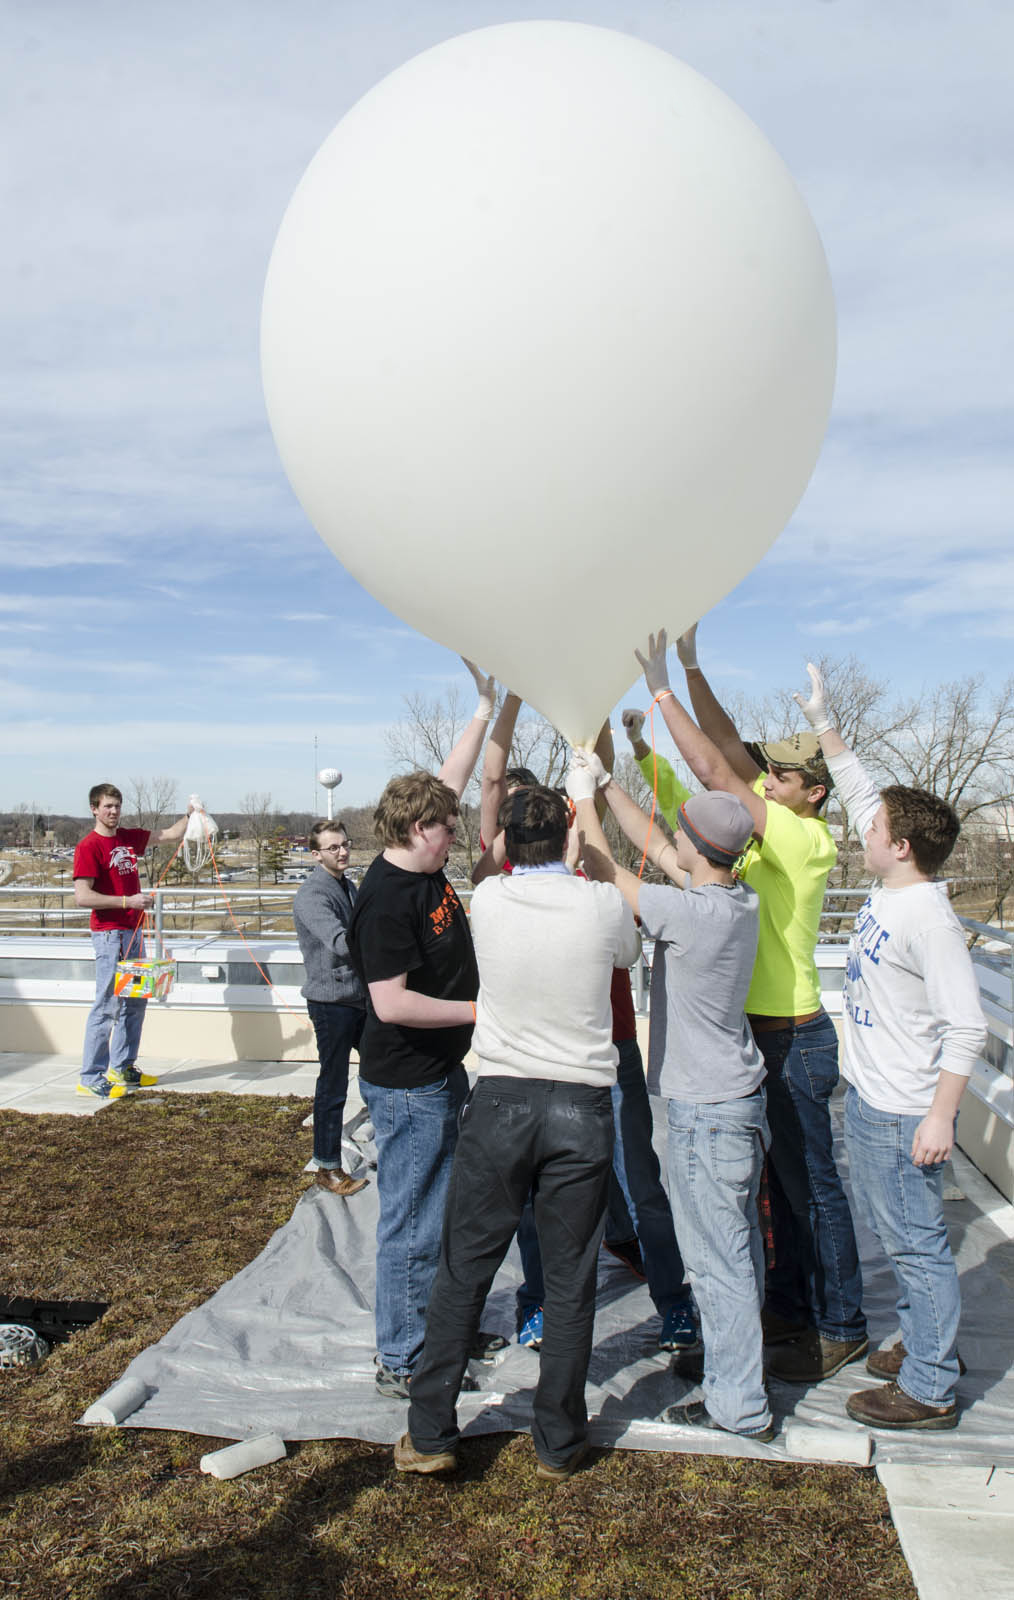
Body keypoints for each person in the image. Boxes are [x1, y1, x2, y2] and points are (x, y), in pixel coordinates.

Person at [627, 626, 867, 1384]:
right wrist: (692, 669)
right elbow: (716, 765)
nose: (765, 781)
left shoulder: (803, 841)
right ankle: (786, 1312)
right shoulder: (768, 829)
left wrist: (661, 684)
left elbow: (713, 768)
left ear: (812, 793)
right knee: (774, 1188)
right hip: (757, 1040)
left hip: (793, 1039)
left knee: (813, 1191)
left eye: (782, 779)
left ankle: (841, 1323)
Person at [394, 783, 641, 1479]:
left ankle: (431, 1434)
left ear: (505, 843)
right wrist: (588, 832)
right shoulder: (600, 902)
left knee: (464, 1270)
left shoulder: (491, 900)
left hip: (500, 1101)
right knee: (568, 1280)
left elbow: (492, 859)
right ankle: (559, 1443)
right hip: (581, 1107)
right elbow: (626, 953)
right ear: (569, 840)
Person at [471, 698, 694, 1356]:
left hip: (607, 1048)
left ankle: (672, 1301)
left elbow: (597, 851)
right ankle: (537, 1300)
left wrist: (587, 729)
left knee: (639, 1183)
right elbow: (489, 792)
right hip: (537, 1066)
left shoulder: (588, 884)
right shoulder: (498, 885)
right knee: (541, 1202)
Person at [795, 664, 986, 1429]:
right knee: (903, 1239)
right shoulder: (897, 883)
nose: (861, 830)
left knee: (917, 1246)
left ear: (901, 848)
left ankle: (931, 1385)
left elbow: (967, 1025)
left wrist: (940, 1118)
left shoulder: (928, 921)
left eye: (873, 831)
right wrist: (823, 718)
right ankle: (923, 1340)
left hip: (910, 1113)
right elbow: (861, 787)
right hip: (874, 1101)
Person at [570, 750, 773, 1441]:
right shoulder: (730, 897)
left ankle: (739, 1406)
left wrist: (583, 804)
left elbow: (605, 866)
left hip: (706, 1116)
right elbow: (655, 846)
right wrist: (605, 783)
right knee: (733, 1250)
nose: (670, 840)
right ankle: (731, 1371)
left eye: (681, 832)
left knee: (718, 1263)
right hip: (731, 1104)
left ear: (702, 851)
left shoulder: (693, 915)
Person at [347, 660, 506, 1398]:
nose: (457, 834)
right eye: (446, 826)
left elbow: (449, 777)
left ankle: (435, 1329)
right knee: (411, 1224)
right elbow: (391, 1003)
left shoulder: (421, 862)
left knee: (441, 1212)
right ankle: (402, 1360)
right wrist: (483, 1012)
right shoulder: (386, 899)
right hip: (408, 1084)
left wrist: (482, 707)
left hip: (439, 1073)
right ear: (420, 832)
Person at [73, 783, 194, 1098]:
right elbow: (82, 897)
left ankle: (123, 1066)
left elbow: (168, 835)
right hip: (110, 934)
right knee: (107, 1005)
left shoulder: (127, 838)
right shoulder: (89, 846)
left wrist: (190, 815)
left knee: (135, 1001)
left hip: (134, 932)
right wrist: (128, 902)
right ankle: (90, 1077)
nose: (113, 812)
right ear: (94, 809)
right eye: (107, 807)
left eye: (116, 806)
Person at [293, 818, 368, 1197]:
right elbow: (341, 942)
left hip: (359, 998)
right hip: (330, 1004)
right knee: (333, 1084)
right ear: (316, 854)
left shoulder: (348, 886)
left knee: (382, 1067)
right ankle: (327, 1165)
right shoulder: (312, 895)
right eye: (333, 847)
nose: (343, 851)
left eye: (345, 844)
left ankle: (387, 1137)